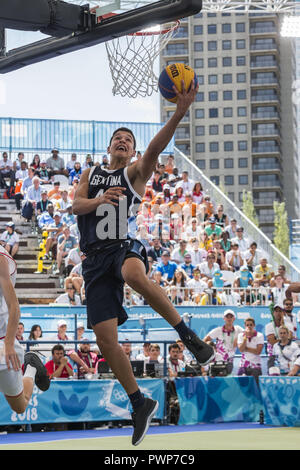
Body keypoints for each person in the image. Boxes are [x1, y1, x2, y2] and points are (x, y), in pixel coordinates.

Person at [73, 84, 214, 446]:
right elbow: (76, 207)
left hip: (123, 246)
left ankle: (189, 336)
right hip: (93, 262)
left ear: (133, 152)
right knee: (105, 340)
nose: (122, 141)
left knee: (134, 272)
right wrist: (100, 199)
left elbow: (155, 149)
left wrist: (179, 112)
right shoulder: (90, 175)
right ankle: (139, 402)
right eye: (116, 138)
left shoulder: (135, 174)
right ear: (108, 147)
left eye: (127, 139)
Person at [0, 244, 50, 415]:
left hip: (2, 342)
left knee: (19, 406)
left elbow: (14, 306)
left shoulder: (0, 259)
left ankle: (30, 367)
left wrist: (8, 344)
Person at [204, 309, 244, 374]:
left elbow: (247, 334)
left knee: (225, 380)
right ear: (224, 318)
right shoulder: (218, 330)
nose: (229, 318)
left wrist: (239, 339)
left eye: (231, 317)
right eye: (227, 317)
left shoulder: (238, 329)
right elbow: (205, 340)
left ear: (234, 318)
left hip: (229, 361)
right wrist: (209, 351)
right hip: (217, 361)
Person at [237, 317, 264, 381]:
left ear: (254, 325)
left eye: (251, 325)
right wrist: (245, 338)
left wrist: (246, 348)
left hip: (255, 365)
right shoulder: (241, 335)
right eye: (247, 325)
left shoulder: (259, 335)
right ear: (245, 326)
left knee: (255, 386)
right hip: (243, 365)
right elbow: (241, 349)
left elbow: (258, 351)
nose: (249, 326)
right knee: (241, 385)